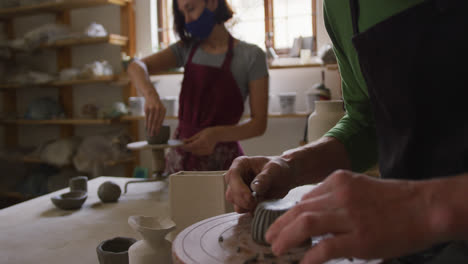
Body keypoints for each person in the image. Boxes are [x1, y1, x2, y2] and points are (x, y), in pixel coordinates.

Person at [225, 0, 468, 263]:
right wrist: (289, 165)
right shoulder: (337, 7)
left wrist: (423, 207)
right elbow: (368, 123)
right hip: (402, 245)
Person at [127, 0, 269, 173]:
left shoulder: (252, 56)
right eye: (183, 13)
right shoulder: (186, 48)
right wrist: (150, 95)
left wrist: (216, 135)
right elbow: (135, 67)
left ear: (212, 3)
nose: (187, 20)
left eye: (191, 9)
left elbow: (259, 124)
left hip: (223, 162)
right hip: (181, 157)